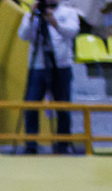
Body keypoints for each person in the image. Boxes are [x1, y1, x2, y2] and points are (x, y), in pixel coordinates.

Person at [18, 0, 79, 153]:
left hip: (62, 66)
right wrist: (32, 16)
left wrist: (54, 22)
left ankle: (63, 144)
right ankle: (31, 144)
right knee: (31, 105)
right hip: (38, 66)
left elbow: (72, 32)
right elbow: (23, 35)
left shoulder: (68, 12)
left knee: (63, 107)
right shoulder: (32, 15)